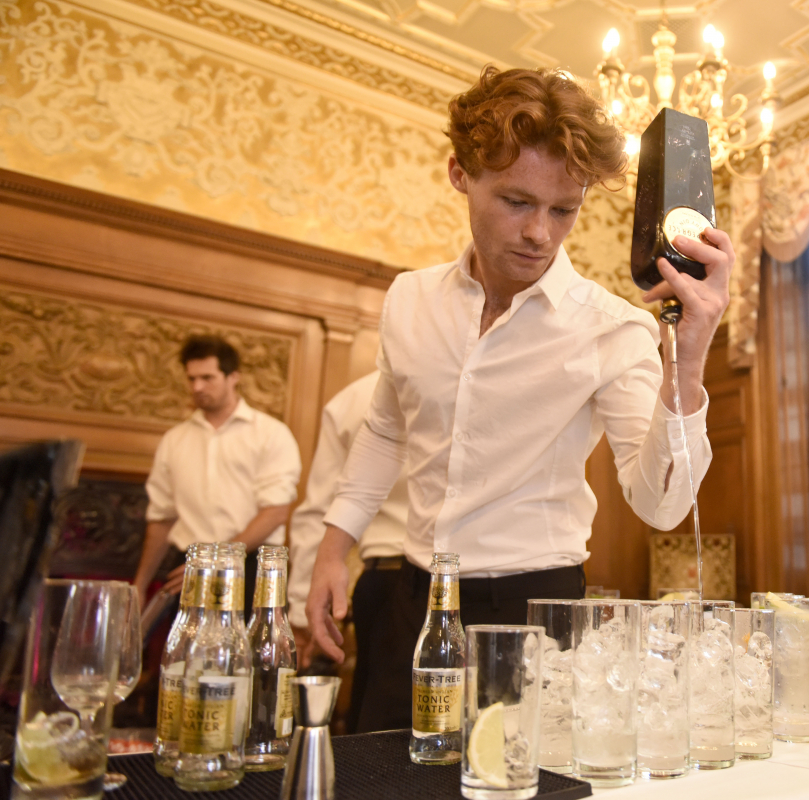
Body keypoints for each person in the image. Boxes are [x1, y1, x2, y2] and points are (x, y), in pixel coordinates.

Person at [306, 66, 732, 733]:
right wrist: (333, 550)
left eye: (564, 209)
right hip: (409, 598)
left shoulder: (611, 327)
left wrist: (694, 350)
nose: (540, 232)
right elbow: (386, 431)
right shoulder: (408, 299)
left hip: (536, 607)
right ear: (460, 174)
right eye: (516, 201)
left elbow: (662, 503)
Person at [134, 336, 302, 615]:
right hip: (188, 566)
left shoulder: (271, 434)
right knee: (186, 657)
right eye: (191, 379)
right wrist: (140, 584)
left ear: (233, 377)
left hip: (249, 566)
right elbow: (162, 518)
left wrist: (217, 558)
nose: (197, 387)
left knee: (246, 657)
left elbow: (275, 512)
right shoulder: (174, 440)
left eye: (207, 378)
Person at [287, 371, 408, 728]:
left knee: (379, 722)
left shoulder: (350, 399)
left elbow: (317, 514)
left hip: (386, 578)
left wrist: (300, 614)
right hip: (445, 579)